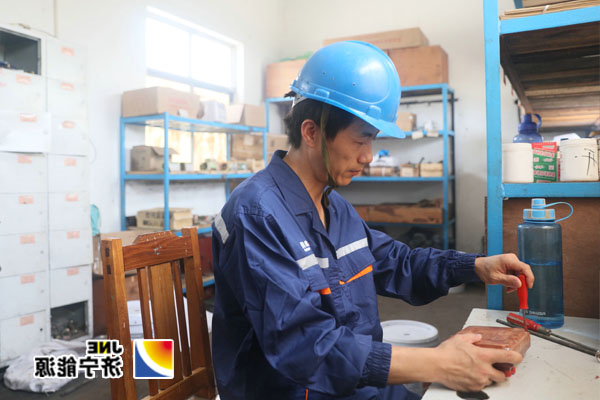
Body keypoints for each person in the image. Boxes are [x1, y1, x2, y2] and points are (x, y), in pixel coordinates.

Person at [211, 41, 534, 400]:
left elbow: (396, 261)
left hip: (356, 383)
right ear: (311, 132)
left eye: (373, 140)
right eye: (361, 140)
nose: (368, 156)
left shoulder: (335, 208)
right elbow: (304, 344)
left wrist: (474, 266)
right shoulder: (256, 215)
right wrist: (439, 363)